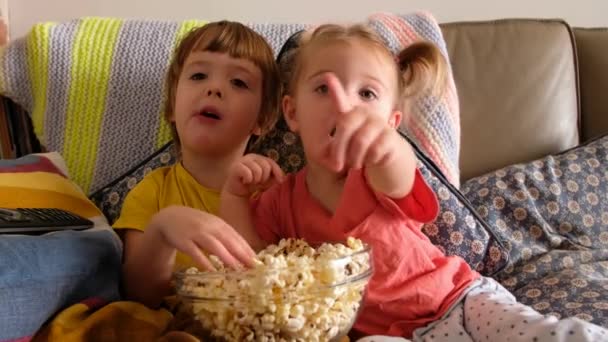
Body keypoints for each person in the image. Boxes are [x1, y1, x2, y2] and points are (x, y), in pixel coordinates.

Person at [219, 23, 608, 341]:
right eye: (323, 88)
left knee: (540, 334)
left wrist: (385, 146)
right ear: (292, 112)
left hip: (458, 299)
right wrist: (235, 194)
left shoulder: (378, 171)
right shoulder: (281, 200)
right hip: (384, 335)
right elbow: (252, 265)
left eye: (366, 94)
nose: (345, 106)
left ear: (391, 124)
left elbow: (400, 175)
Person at [112, 20, 282, 309]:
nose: (214, 88)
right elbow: (140, 295)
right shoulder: (151, 192)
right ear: (171, 108)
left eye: (238, 82)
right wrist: (162, 229)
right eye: (199, 75)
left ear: (263, 119)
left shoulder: (274, 192)